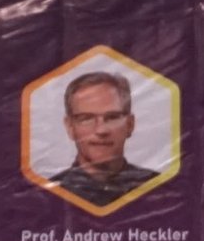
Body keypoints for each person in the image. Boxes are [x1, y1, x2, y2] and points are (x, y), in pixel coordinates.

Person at [51, 70, 159, 206]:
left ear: (130, 125)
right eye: (86, 119)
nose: (101, 130)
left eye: (112, 117)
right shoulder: (46, 194)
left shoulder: (162, 190)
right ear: (70, 127)